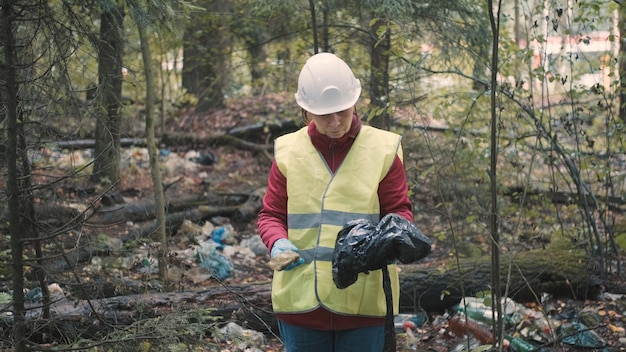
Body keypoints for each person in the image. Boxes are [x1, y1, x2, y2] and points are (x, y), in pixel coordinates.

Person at [257, 52, 414, 352]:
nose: (335, 121)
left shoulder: (383, 149)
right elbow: (271, 215)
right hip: (300, 303)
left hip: (363, 304)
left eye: (342, 111)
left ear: (354, 102)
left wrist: (395, 241)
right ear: (306, 111)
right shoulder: (288, 151)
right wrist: (278, 242)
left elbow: (399, 212)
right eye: (324, 114)